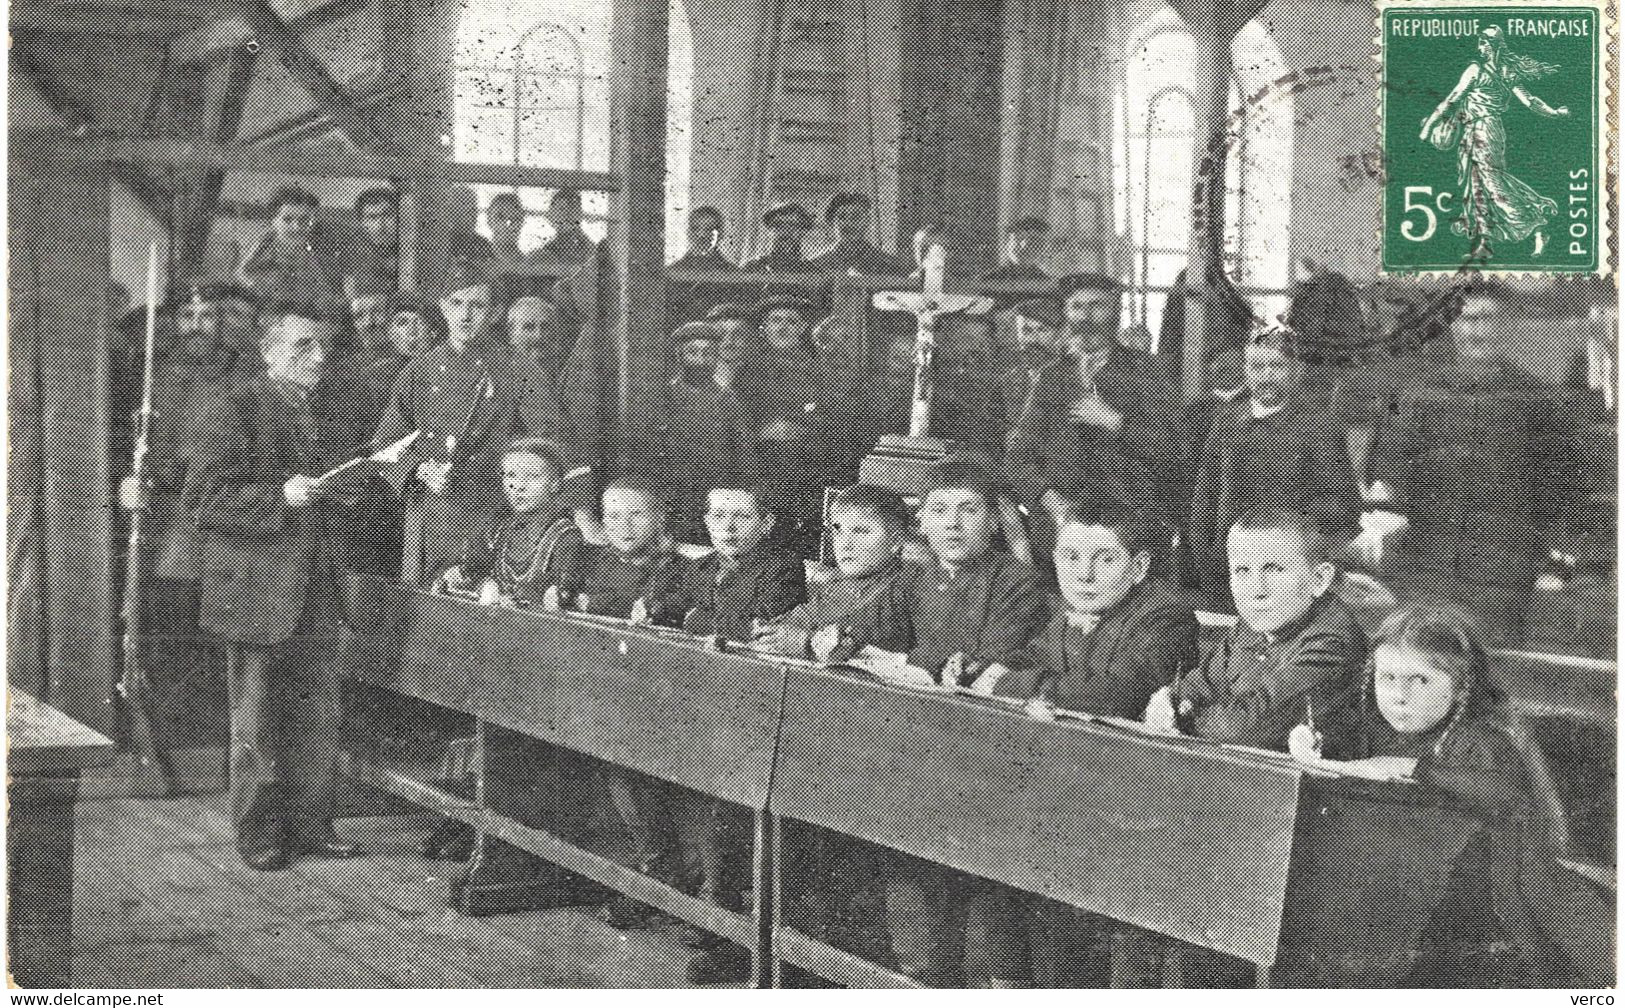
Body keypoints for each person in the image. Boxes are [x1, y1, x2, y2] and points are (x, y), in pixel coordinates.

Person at [1292, 605, 1601, 986]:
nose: (1398, 696)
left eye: (1419, 681)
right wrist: (1306, 740)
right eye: (1387, 677)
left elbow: (1503, 791)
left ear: (1459, 689)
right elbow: (1336, 743)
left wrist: (1412, 768)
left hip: (1496, 894)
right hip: (1412, 885)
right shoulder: (1374, 723)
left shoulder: (1481, 739)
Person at [978, 504, 1198, 987]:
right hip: (1063, 792)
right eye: (1070, 557)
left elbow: (1117, 693)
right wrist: (989, 671)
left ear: (1138, 567)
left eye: (1104, 559)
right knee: (998, 869)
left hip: (1135, 805)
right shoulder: (1062, 613)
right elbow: (1001, 659)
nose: (1084, 574)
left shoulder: (1164, 613)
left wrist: (1012, 683)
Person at [185, 301, 365, 870]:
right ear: (268, 352)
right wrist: (282, 501)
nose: (316, 359)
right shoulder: (231, 407)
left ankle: (311, 826)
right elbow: (205, 502)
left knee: (315, 710)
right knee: (260, 716)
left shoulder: (325, 412)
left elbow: (334, 492)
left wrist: (351, 489)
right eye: (300, 349)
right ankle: (259, 832)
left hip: (316, 578)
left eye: (321, 348)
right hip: (256, 582)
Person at [880, 460, 1049, 988]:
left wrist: (918, 666)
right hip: (920, 745)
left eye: (967, 510)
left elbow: (990, 665)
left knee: (986, 900)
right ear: (922, 524)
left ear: (994, 523)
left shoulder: (1021, 579)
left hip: (992, 755)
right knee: (910, 872)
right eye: (938, 510)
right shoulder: (916, 576)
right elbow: (859, 631)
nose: (951, 523)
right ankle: (919, 977)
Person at [641, 482, 806, 983]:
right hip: (702, 699)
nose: (727, 527)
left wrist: (691, 616)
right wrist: (682, 613)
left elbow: (749, 628)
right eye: (717, 516)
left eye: (740, 517)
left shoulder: (780, 568)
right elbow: (659, 604)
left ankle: (722, 927)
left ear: (766, 524)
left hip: (754, 710)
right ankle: (673, 886)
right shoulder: (705, 564)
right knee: (631, 764)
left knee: (725, 806)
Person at [1370, 281, 1578, 646]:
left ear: (1507, 325)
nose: (1476, 330)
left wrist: (1554, 565)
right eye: (1466, 320)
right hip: (1425, 564)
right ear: (1452, 325)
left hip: (1500, 573)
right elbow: (1391, 474)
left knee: (1488, 669)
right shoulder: (1418, 393)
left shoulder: (1539, 400)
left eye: (1488, 319)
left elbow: (1558, 493)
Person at [119, 283, 260, 752]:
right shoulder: (154, 376)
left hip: (223, 518)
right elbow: (130, 443)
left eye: (207, 316)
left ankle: (213, 746)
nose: (197, 326)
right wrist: (128, 484)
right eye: (187, 316)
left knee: (215, 634)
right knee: (166, 629)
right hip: (166, 519)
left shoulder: (244, 374)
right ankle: (167, 742)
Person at [1146, 507, 1366, 751]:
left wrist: (1180, 716)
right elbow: (1190, 690)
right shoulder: (1253, 626)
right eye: (1242, 571)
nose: (1257, 590)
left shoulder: (1333, 640)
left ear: (1319, 580)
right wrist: (1170, 703)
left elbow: (1243, 729)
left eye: (1273, 569)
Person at [1187, 327, 1364, 598]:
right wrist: (1203, 550)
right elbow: (1205, 491)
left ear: (1294, 370)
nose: (1266, 375)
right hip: (1224, 567)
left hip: (1287, 572)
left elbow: (1345, 507)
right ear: (1245, 369)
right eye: (1256, 366)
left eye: (1276, 366)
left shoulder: (1319, 425)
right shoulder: (1227, 418)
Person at [373, 260, 514, 587]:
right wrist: (416, 469)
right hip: (430, 515)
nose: (465, 316)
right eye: (456, 303)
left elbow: (549, 442)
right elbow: (385, 446)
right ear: (442, 306)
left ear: (494, 312)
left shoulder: (516, 370)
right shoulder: (418, 371)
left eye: (477, 306)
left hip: (492, 513)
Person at [1003, 276, 1184, 514]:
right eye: (1076, 306)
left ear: (1115, 311)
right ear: (1066, 314)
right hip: (1061, 522)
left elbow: (1174, 448)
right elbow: (1017, 458)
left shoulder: (1145, 368)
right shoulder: (1052, 376)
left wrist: (1115, 421)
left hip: (1128, 518)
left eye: (1097, 305)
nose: (1086, 316)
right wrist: (1052, 503)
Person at [1419, 26, 1567, 256]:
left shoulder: (1476, 70)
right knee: (1477, 183)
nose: (1479, 47)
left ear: (1492, 45)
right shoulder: (1506, 71)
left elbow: (1451, 100)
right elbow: (1531, 102)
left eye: (1483, 43)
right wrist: (1554, 112)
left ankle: (1537, 223)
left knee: (1490, 180)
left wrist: (1428, 127)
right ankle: (1485, 243)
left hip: (1484, 130)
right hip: (1480, 129)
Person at [754, 485, 915, 658]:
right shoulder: (833, 587)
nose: (845, 544)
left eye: (860, 531)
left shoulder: (903, 591)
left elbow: (875, 642)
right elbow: (783, 627)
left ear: (896, 541)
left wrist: (806, 644)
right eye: (838, 531)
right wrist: (766, 631)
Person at [442, 438, 582, 607]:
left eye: (531, 476)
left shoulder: (565, 536)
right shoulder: (497, 531)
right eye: (510, 475)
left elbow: (566, 596)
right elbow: (471, 571)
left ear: (554, 484)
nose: (518, 486)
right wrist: (480, 584)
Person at [646, 321, 750, 543]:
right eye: (693, 352)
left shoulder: (727, 399)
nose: (701, 359)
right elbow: (651, 451)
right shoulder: (665, 397)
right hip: (674, 498)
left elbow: (744, 453)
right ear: (680, 356)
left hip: (717, 499)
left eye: (709, 353)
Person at [238, 186, 343, 313]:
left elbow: (327, 289)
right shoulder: (265, 243)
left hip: (307, 311)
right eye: (287, 220)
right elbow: (242, 273)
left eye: (304, 220)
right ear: (273, 221)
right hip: (270, 306)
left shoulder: (319, 247)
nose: (296, 227)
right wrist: (257, 288)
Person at [808, 193, 910, 276]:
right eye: (842, 217)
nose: (848, 224)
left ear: (867, 221)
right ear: (831, 224)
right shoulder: (816, 266)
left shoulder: (889, 265)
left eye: (855, 217)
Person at [343, 187, 401, 297]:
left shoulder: (409, 246)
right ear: (362, 223)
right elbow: (351, 296)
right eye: (372, 217)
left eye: (387, 215)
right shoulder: (352, 250)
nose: (381, 225)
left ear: (398, 216)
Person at [978, 216, 1053, 289]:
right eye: (1018, 239)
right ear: (1006, 244)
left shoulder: (1048, 285)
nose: (1024, 247)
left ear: (1043, 248)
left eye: (1033, 241)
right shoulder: (986, 281)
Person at [534, 189, 597, 273]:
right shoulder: (544, 252)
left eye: (573, 209)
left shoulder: (589, 250)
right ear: (550, 215)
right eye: (561, 209)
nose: (567, 214)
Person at [741, 202, 814, 273]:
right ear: (769, 231)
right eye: (778, 225)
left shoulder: (811, 271)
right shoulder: (752, 268)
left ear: (803, 231)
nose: (785, 231)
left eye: (792, 225)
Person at [486, 191, 532, 270]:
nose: (508, 224)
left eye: (515, 218)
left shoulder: (529, 265)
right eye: (500, 217)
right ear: (489, 220)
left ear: (522, 222)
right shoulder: (478, 262)